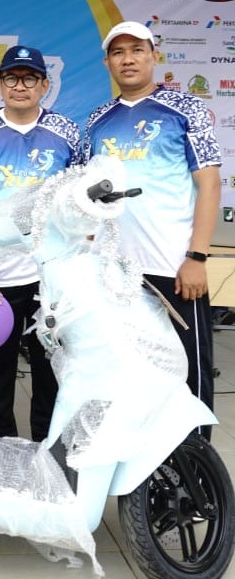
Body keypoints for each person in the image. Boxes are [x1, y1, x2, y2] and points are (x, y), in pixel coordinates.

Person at [83, 21, 222, 439]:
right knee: (129, 371)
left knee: (190, 371)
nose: (128, 60)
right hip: (115, 272)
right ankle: (141, 462)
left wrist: (197, 257)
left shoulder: (186, 110)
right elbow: (90, 195)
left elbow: (210, 184)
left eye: (137, 50)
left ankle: (197, 466)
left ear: (153, 56)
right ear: (107, 62)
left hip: (173, 268)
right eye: (118, 52)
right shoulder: (97, 121)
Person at [0, 45, 81, 441]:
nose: (20, 86)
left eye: (30, 78)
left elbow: (77, 200)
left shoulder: (66, 133)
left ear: (44, 85)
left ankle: (45, 448)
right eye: (11, 78)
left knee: (50, 370)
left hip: (49, 276)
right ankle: (1, 446)